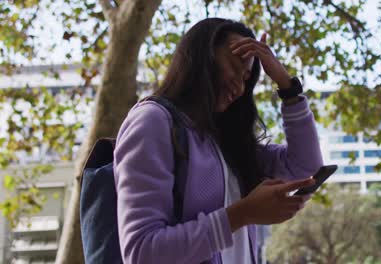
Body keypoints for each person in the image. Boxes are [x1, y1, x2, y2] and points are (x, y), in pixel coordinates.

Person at [113, 17, 324, 264]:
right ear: (202, 56)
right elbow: (141, 252)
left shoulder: (225, 141)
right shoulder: (153, 121)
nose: (241, 86)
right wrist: (242, 214)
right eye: (234, 66)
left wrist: (288, 88)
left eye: (247, 78)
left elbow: (307, 167)